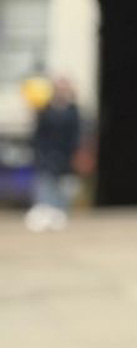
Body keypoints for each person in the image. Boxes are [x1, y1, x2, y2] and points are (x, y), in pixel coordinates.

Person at [26, 76, 81, 232]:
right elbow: (38, 134)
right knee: (44, 185)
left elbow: (75, 135)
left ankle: (59, 213)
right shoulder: (45, 109)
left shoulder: (73, 110)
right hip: (46, 154)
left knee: (63, 187)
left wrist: (75, 155)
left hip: (65, 155)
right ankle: (43, 213)